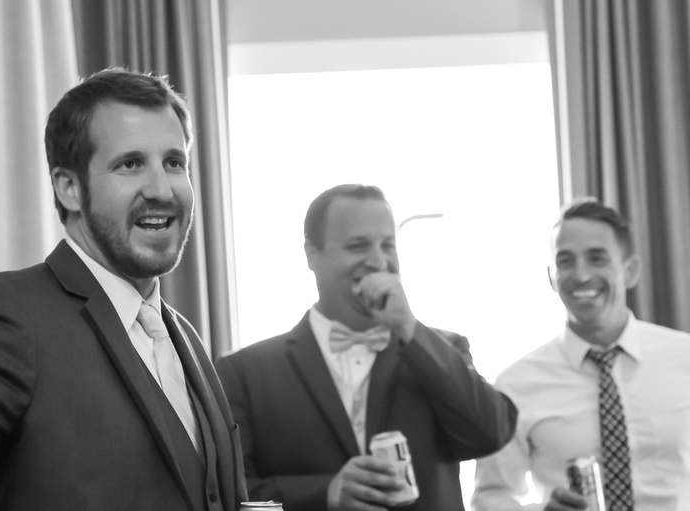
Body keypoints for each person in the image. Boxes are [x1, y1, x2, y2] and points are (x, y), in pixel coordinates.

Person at [0, 68, 247, 511]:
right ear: (70, 188)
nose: (162, 189)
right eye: (130, 164)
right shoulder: (5, 312)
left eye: (174, 162)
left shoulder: (185, 336)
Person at [215, 184, 518, 511]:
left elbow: (491, 433)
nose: (379, 261)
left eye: (388, 245)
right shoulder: (244, 373)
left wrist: (408, 328)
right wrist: (325, 493)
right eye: (358, 246)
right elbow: (232, 492)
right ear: (311, 254)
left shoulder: (441, 348)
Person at [472, 197, 690, 510]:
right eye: (565, 261)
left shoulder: (685, 359)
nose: (581, 275)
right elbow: (491, 497)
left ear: (629, 271)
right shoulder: (514, 386)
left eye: (597, 258)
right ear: (551, 277)